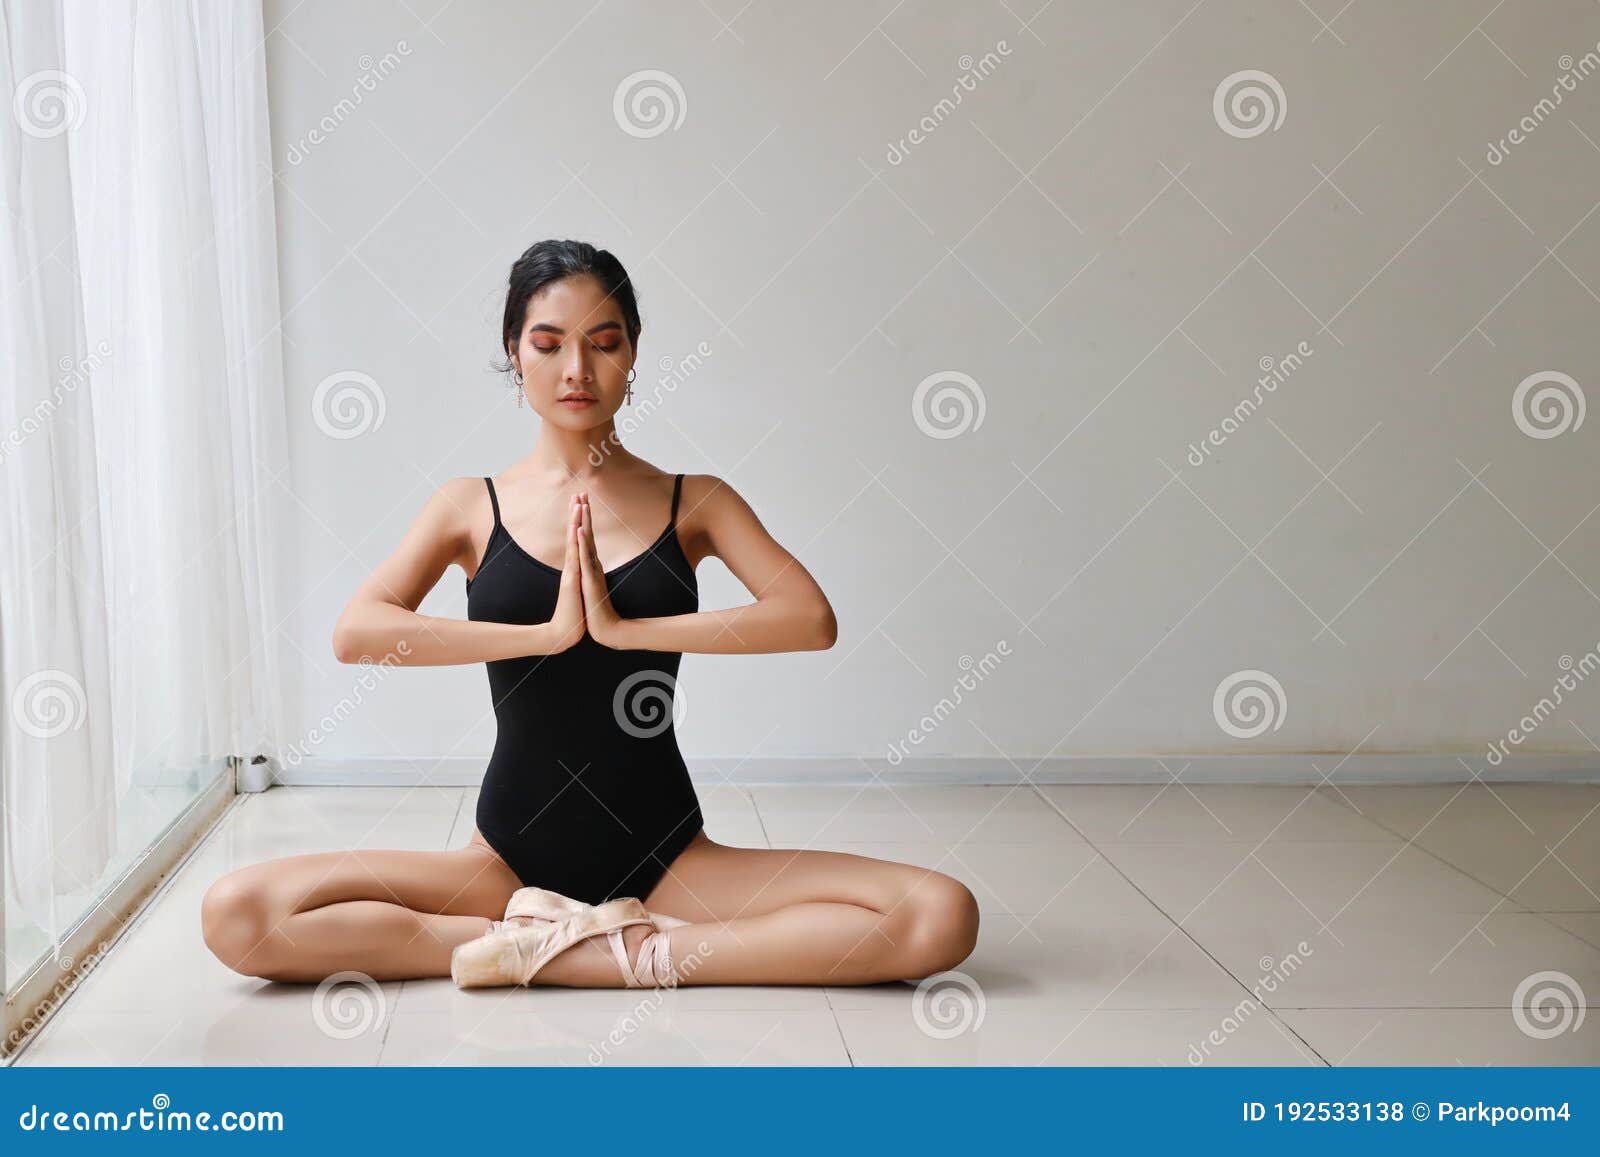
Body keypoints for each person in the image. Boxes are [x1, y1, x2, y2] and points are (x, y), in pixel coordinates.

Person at [201, 239, 979, 989]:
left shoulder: (694, 498)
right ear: (515, 351)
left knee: (941, 913)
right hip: (505, 859)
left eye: (604, 343)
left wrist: (625, 630)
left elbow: (809, 618)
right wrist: (543, 635)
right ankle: (575, 947)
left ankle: (588, 954)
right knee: (238, 914)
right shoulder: (471, 505)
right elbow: (358, 632)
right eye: (549, 343)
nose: (577, 369)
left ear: (633, 353)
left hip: (670, 855)